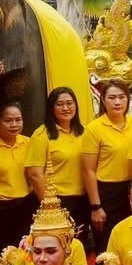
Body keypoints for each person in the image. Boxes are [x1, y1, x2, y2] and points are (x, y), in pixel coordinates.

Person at [25, 87, 91, 249]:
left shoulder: (85, 132)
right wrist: (52, 207)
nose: (65, 108)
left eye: (70, 103)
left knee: (78, 248)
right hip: (57, 201)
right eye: (60, 104)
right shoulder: (42, 135)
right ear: (51, 108)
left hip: (83, 200)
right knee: (58, 248)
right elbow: (34, 174)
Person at [83, 80, 132, 245]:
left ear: (128, 99)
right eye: (112, 98)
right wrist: (96, 206)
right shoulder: (94, 128)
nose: (117, 102)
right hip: (106, 193)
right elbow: (88, 170)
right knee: (108, 244)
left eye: (121, 97)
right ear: (103, 100)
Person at [0, 102, 35, 263]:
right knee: (0, 259)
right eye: (8, 120)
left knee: (26, 256)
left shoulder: (29, 143)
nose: (14, 124)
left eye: (18, 120)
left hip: (26, 207)